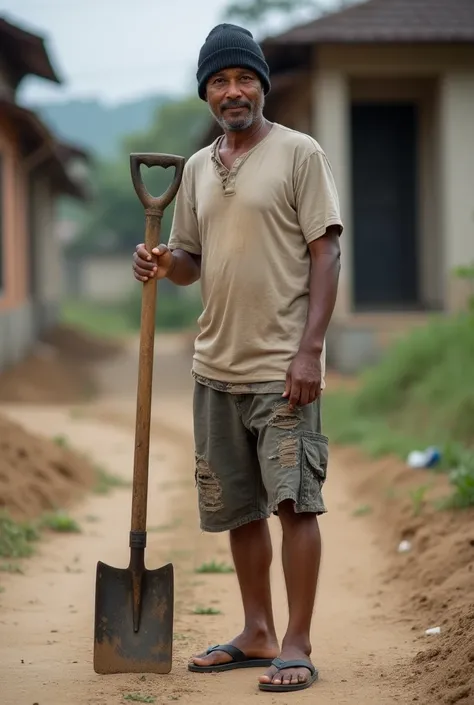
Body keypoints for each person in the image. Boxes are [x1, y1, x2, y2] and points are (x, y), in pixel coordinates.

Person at [132, 23, 343, 694]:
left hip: (283, 368)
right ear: (206, 93)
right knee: (240, 508)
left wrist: (310, 349)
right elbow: (192, 261)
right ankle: (256, 629)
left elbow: (326, 251)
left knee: (295, 505)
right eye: (220, 80)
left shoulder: (298, 153)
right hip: (214, 367)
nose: (233, 91)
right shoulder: (197, 168)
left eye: (244, 78)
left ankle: (297, 642)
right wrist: (165, 262)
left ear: (262, 85)